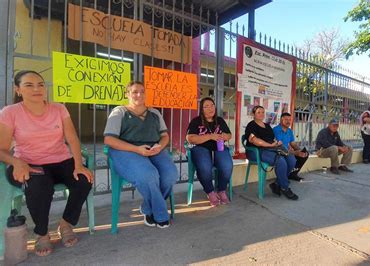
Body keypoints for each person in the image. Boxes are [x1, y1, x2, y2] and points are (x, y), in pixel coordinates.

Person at [0, 70, 93, 257]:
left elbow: (72, 138)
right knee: (39, 187)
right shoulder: (10, 112)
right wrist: (16, 162)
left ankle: (66, 223)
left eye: (40, 84)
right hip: (28, 162)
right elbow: (1, 149)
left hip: (60, 160)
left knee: (84, 179)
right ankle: (42, 233)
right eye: (29, 85)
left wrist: (78, 164)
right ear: (18, 90)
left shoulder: (59, 108)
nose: (37, 89)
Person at [104, 81, 178, 228]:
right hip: (126, 150)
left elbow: (165, 136)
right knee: (149, 174)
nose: (139, 94)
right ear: (127, 94)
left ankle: (147, 208)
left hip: (153, 149)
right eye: (135, 92)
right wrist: (137, 149)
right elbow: (109, 139)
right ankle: (161, 215)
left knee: (170, 174)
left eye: (142, 91)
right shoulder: (119, 112)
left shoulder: (155, 113)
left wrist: (160, 146)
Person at [186, 97, 233, 207]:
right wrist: (210, 136)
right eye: (206, 106)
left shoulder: (220, 120)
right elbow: (190, 138)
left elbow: (229, 135)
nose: (210, 108)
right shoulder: (196, 121)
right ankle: (210, 191)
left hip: (218, 147)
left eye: (212, 105)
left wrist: (224, 136)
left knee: (227, 165)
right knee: (204, 167)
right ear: (201, 109)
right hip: (200, 148)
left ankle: (221, 190)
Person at [245, 106, 298, 200]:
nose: (261, 114)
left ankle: (277, 183)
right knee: (281, 161)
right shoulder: (251, 125)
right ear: (253, 114)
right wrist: (269, 145)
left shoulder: (267, 126)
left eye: (262, 112)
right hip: (257, 151)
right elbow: (254, 140)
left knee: (291, 159)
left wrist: (277, 143)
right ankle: (284, 187)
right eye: (258, 112)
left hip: (270, 149)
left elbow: (272, 139)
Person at [273, 112, 308, 182]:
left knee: (305, 153)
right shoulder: (276, 130)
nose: (288, 121)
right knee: (291, 160)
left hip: (287, 152)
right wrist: (295, 153)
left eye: (289, 120)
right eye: (286, 119)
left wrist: (300, 150)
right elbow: (280, 147)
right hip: (279, 151)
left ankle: (292, 174)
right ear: (281, 120)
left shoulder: (289, 131)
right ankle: (282, 178)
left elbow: (293, 143)